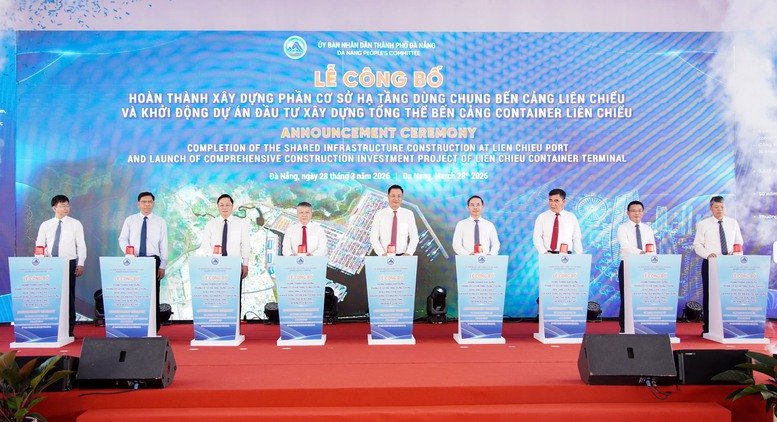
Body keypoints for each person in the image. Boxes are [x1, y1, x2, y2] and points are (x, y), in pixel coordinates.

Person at [35, 195, 86, 337]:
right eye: (62, 205)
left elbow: (81, 245)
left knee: (68, 296)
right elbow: (40, 244)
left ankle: (68, 329)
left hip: (69, 262)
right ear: (54, 208)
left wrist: (81, 263)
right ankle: (51, 327)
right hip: (50, 263)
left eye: (67, 205)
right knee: (51, 296)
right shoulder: (46, 225)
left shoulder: (75, 224)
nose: (66, 208)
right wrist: (39, 261)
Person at [118, 192, 169, 333]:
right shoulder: (130, 220)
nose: (147, 204)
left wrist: (163, 265)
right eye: (144, 202)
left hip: (153, 260)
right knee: (134, 294)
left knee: (153, 295)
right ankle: (135, 325)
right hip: (134, 260)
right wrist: (129, 252)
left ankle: (153, 328)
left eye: (150, 202)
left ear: (153, 203)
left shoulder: (160, 221)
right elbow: (122, 239)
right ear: (138, 204)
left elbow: (163, 244)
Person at [692, 195, 743, 335]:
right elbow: (697, 245)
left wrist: (736, 256)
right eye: (716, 207)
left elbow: (739, 243)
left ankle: (729, 326)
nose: (719, 210)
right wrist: (708, 254)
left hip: (730, 264)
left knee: (729, 295)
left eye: (722, 207)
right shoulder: (703, 224)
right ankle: (709, 327)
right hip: (711, 262)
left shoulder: (733, 223)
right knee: (710, 295)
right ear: (711, 208)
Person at [615, 200, 656, 333]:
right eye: (633, 211)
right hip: (628, 264)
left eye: (639, 211)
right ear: (628, 213)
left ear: (643, 212)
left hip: (644, 266)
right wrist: (641, 253)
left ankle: (642, 326)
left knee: (643, 296)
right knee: (626, 297)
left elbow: (652, 247)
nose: (636, 213)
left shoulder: (648, 229)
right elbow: (625, 245)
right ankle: (624, 327)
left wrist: (652, 259)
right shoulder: (623, 228)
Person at [200, 194, 251, 280]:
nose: (224, 208)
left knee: (234, 288)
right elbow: (205, 244)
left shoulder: (241, 223)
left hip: (235, 265)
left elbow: (245, 244)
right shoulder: (210, 224)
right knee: (217, 288)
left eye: (227, 205)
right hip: (215, 265)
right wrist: (214, 258)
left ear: (232, 206)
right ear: (218, 206)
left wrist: (245, 264)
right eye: (221, 205)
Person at [370, 185, 419, 256]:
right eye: (393, 196)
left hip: (403, 256)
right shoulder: (379, 214)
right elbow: (373, 237)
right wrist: (381, 253)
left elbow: (414, 237)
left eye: (399, 196)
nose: (396, 199)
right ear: (388, 196)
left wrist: (409, 253)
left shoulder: (409, 214)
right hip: (384, 255)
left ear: (402, 198)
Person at [532, 188, 583, 254]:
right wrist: (544, 252)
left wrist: (579, 255)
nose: (552, 204)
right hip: (547, 255)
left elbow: (576, 238)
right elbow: (537, 237)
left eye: (556, 201)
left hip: (566, 256)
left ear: (564, 201)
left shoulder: (571, 217)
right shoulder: (542, 217)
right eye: (550, 200)